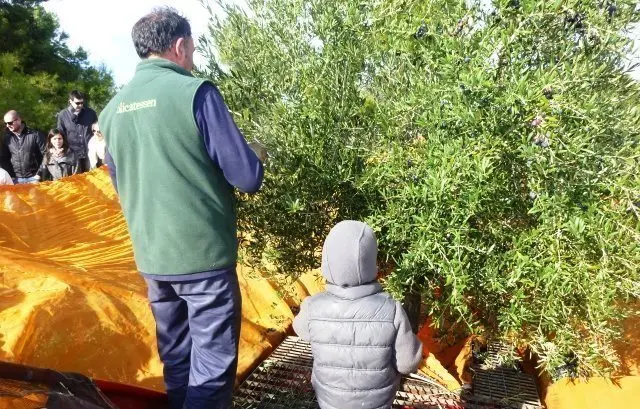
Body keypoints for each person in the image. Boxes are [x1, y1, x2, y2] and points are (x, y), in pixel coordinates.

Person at [98, 7, 265, 409]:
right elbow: (246, 176)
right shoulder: (196, 92)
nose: (192, 59)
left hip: (154, 260)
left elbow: (120, 184)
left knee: (177, 360)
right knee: (210, 370)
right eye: (191, 49)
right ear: (180, 45)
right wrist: (257, 153)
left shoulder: (111, 111)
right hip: (203, 259)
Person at [293, 220, 423, 409]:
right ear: (372, 262)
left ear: (327, 260)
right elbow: (407, 363)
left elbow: (301, 330)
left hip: (329, 401)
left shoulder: (313, 306)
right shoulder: (391, 309)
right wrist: (416, 345)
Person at [56, 90, 98, 172]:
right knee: (76, 181)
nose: (80, 105)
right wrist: (58, 149)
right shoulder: (63, 115)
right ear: (70, 101)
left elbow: (97, 131)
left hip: (90, 154)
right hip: (72, 155)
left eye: (82, 103)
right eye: (77, 103)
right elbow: (60, 135)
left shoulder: (91, 113)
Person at [1, 110, 45, 184]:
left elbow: (45, 155)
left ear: (19, 120)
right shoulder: (7, 138)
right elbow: (4, 158)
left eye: (10, 123)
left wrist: (39, 173)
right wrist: (11, 176)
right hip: (15, 179)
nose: (7, 125)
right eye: (6, 123)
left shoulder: (35, 135)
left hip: (34, 178)